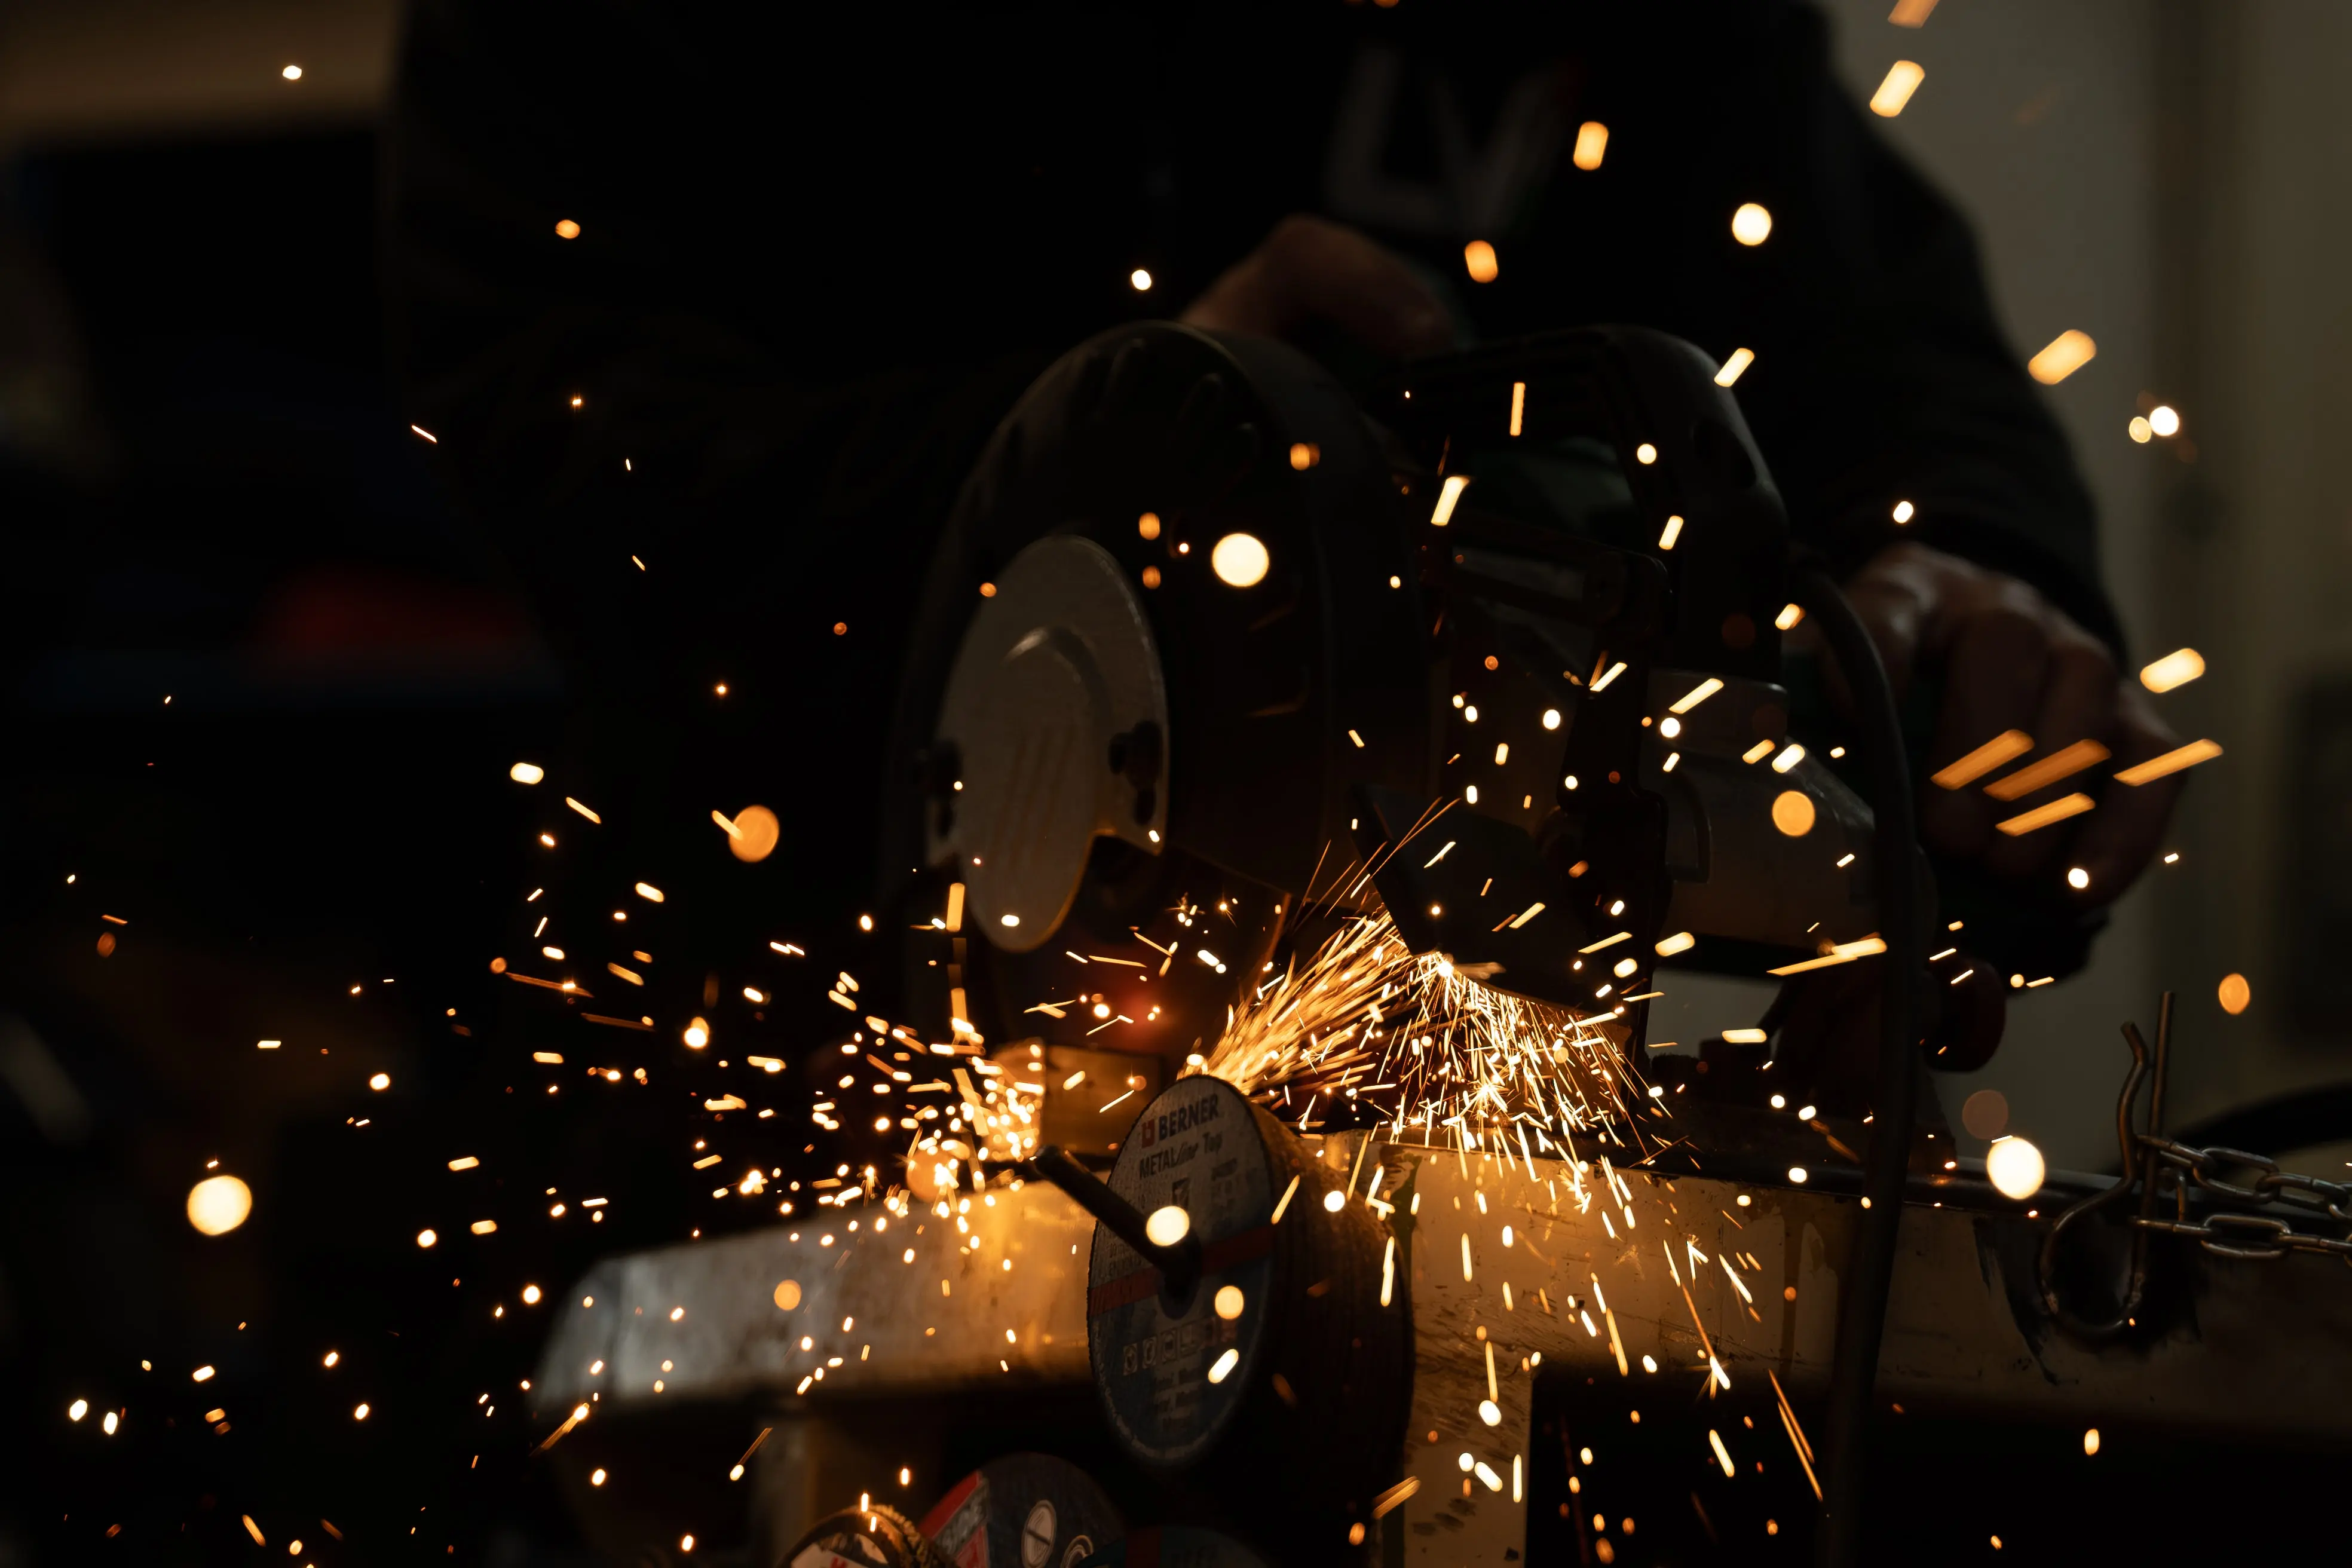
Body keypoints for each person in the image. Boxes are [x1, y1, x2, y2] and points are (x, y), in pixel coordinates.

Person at [386, 0, 2182, 1028]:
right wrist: (1100, 460)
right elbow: (567, 441)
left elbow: (1873, 336)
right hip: (787, 1024)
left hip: (1433, 1024)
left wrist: (1979, 581)